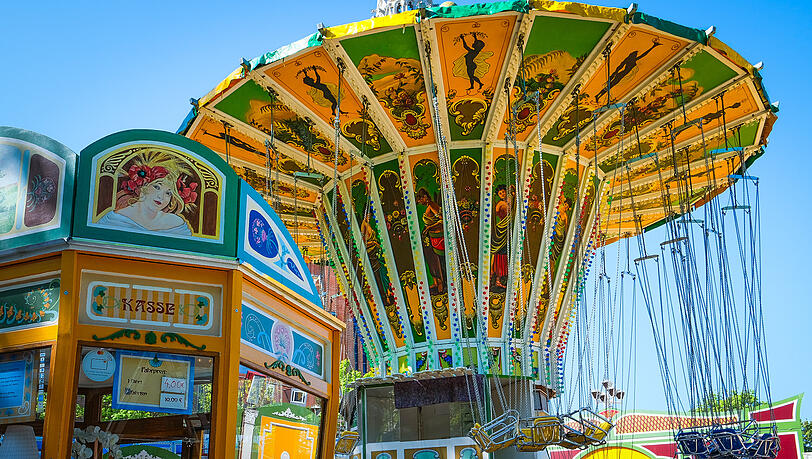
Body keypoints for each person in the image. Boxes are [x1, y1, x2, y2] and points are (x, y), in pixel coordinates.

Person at [97, 152, 197, 237]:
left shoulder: (176, 224)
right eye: (157, 187)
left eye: (168, 193)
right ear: (143, 186)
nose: (161, 197)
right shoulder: (115, 219)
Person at [415, 188, 445, 294]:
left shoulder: (432, 205)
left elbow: (442, 220)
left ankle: (440, 282)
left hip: (435, 236)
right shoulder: (429, 206)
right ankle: (436, 281)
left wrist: (429, 227)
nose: (419, 202)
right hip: (429, 236)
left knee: (434, 258)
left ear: (425, 197)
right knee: (430, 258)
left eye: (420, 199)